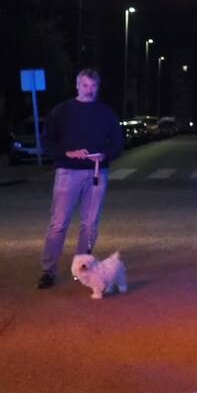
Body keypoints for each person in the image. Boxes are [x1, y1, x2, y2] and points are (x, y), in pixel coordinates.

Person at [37, 69, 125, 289]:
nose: (90, 90)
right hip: (68, 172)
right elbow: (48, 141)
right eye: (85, 85)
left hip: (96, 172)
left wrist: (106, 154)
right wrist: (65, 153)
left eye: (94, 86)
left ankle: (82, 267)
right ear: (77, 85)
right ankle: (49, 270)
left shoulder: (106, 113)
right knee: (58, 224)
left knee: (90, 225)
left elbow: (117, 142)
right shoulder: (62, 111)